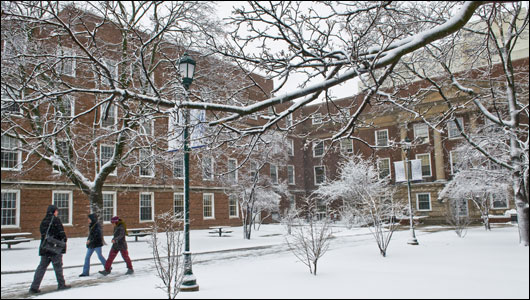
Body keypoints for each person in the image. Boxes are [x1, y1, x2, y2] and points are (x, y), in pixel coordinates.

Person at [29, 205, 71, 293]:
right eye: (57, 211)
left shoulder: (44, 221)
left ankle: (34, 286)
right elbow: (61, 233)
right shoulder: (56, 220)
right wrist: (62, 241)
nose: (57, 212)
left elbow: (42, 233)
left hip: (45, 248)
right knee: (58, 267)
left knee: (41, 267)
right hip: (54, 248)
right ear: (54, 211)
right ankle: (61, 284)